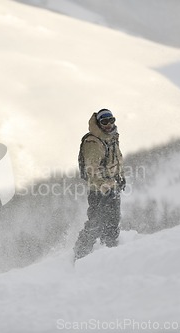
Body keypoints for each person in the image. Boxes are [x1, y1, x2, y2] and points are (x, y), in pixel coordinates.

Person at [74, 108, 126, 260]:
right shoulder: (93, 142)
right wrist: (105, 187)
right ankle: (80, 255)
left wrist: (121, 177)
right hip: (98, 190)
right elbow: (92, 170)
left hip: (113, 187)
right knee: (96, 223)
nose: (109, 125)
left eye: (111, 120)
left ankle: (110, 253)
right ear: (99, 123)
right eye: (104, 122)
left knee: (113, 222)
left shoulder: (112, 138)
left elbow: (117, 160)